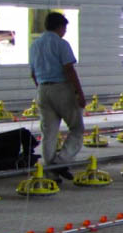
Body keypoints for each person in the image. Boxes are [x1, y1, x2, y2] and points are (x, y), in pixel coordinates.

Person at [29, 11, 85, 182]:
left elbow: (33, 73)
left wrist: (42, 90)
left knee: (49, 133)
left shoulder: (34, 45)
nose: (65, 32)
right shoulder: (61, 44)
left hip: (42, 89)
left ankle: (51, 173)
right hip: (61, 89)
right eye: (64, 28)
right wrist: (79, 93)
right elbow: (69, 69)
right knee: (77, 128)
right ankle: (60, 163)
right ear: (60, 27)